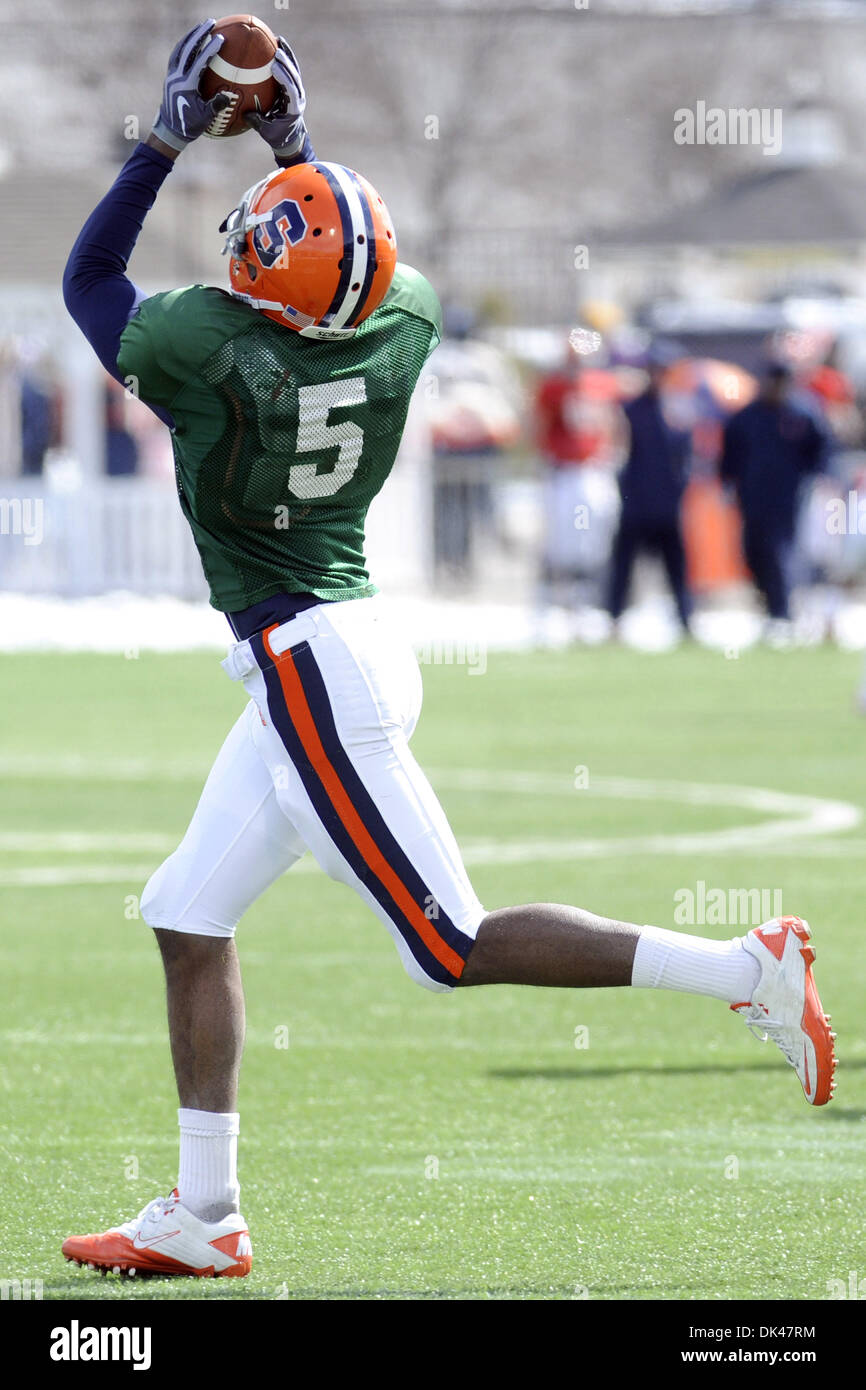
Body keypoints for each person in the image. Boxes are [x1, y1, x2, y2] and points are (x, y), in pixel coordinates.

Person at [60, 22, 836, 1280]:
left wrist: (165, 139)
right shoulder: (402, 320)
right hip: (344, 644)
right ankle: (204, 1215)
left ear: (258, 281)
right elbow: (356, 262)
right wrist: (296, 145)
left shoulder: (204, 350)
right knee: (186, 911)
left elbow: (89, 281)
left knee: (449, 945)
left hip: (312, 663)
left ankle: (743, 967)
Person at [721, 360, 832, 632]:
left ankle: (782, 614)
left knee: (779, 553)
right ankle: (769, 607)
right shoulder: (748, 416)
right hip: (752, 497)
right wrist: (726, 485)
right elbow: (730, 455)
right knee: (753, 553)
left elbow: (822, 451)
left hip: (788, 497)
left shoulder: (803, 414)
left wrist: (817, 480)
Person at [607, 342, 693, 634]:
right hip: (636, 503)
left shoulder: (676, 411)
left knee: (677, 569)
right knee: (623, 566)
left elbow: (686, 461)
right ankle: (615, 619)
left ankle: (685, 621)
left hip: (667, 504)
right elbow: (619, 453)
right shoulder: (630, 410)